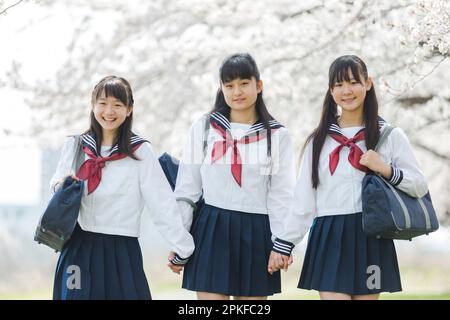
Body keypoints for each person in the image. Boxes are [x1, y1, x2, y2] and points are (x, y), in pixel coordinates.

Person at [268, 55, 429, 300]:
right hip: (329, 237)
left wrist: (386, 169)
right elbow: (303, 199)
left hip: (371, 238)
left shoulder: (389, 136)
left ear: (368, 83)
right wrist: (285, 243)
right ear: (331, 90)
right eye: (339, 85)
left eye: (353, 82)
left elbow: (419, 186)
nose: (346, 90)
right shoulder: (318, 141)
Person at [50, 75, 194, 299]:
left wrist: (183, 248)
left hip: (121, 251)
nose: (109, 111)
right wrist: (64, 185)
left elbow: (161, 203)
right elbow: (56, 189)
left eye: (117, 104)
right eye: (103, 103)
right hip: (78, 248)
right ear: (93, 105)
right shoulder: (76, 146)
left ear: (129, 110)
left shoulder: (140, 152)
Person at [170, 53, 296, 300]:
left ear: (259, 86)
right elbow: (187, 189)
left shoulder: (277, 136)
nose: (237, 91)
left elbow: (281, 193)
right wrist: (180, 240)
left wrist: (282, 243)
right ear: (221, 89)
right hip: (211, 228)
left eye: (244, 83)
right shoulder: (205, 127)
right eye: (229, 85)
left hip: (256, 230)